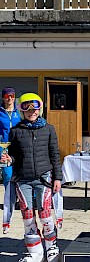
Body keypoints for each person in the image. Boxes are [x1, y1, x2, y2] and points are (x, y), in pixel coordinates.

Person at [1, 93, 62, 262]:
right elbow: (14, 155)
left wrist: (58, 178)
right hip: (23, 179)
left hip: (44, 178)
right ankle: (35, 251)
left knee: (45, 215)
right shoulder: (16, 131)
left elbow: (55, 155)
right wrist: (8, 159)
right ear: (21, 111)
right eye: (27, 108)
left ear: (40, 109)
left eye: (34, 108)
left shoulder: (49, 129)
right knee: (27, 215)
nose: (31, 112)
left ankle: (52, 247)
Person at [0, 87, 21, 233]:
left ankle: (22, 199)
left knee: (21, 174)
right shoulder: (0, 113)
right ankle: (9, 201)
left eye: (12, 96)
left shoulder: (19, 112)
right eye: (7, 96)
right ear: (3, 97)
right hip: (4, 148)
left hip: (19, 148)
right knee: (7, 175)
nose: (10, 98)